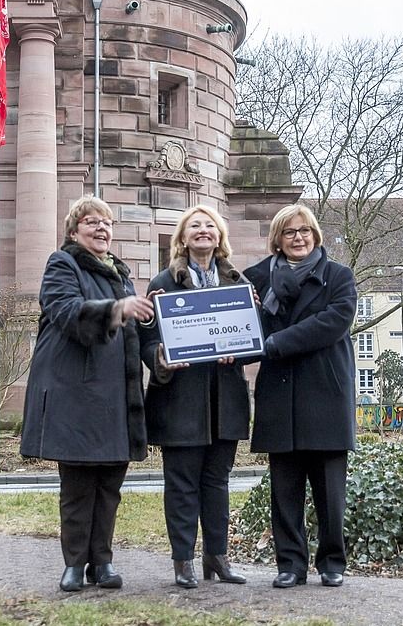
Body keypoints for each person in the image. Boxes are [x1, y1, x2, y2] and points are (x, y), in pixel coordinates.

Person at [20, 195, 155, 593]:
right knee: (78, 486)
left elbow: (138, 331)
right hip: (76, 394)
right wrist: (117, 309)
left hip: (116, 394)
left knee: (110, 485)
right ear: (74, 230)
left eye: (107, 223)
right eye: (92, 222)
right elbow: (65, 311)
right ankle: (75, 564)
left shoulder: (122, 274)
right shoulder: (62, 263)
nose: (102, 229)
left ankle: (104, 562)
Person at [243, 204, 357, 589]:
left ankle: (331, 562)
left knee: (330, 492)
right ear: (278, 238)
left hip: (325, 393)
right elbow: (243, 327)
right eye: (289, 232)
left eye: (305, 230)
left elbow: (332, 323)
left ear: (315, 235)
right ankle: (290, 564)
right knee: (284, 490)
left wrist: (274, 342)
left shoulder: (338, 276)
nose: (298, 237)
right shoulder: (256, 279)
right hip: (280, 395)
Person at [139, 205, 250, 589]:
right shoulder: (163, 283)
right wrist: (160, 357)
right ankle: (183, 560)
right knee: (182, 484)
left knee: (217, 483)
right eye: (194, 226)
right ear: (183, 239)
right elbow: (147, 340)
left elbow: (255, 338)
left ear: (219, 237)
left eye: (210, 226)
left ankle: (217, 558)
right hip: (180, 402)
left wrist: (243, 348)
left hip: (225, 401)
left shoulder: (238, 281)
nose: (203, 231)